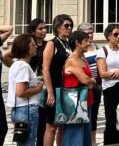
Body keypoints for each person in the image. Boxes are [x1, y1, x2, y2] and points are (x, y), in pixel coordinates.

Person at [4, 19, 49, 146]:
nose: (36, 47)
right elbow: (21, 92)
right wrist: (38, 88)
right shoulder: (23, 66)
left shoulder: (18, 64)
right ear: (26, 48)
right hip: (26, 109)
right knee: (28, 143)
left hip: (21, 109)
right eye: (33, 45)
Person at [42, 14, 74, 146]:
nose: (69, 28)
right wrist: (50, 92)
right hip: (55, 88)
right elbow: (45, 69)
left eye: (71, 26)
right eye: (66, 25)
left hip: (67, 89)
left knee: (62, 125)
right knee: (51, 126)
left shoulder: (69, 44)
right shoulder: (52, 44)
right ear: (57, 27)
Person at [63, 30, 99, 145]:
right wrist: (91, 81)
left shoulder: (83, 59)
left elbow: (90, 80)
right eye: (86, 41)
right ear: (78, 43)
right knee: (74, 137)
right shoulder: (72, 60)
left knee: (85, 136)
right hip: (75, 103)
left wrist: (90, 81)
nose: (89, 43)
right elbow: (86, 80)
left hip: (86, 100)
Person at [78, 23, 102, 146]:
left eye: (92, 32)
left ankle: (93, 141)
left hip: (96, 85)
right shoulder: (80, 49)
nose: (91, 35)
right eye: (88, 33)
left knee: (94, 114)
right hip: (84, 85)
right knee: (83, 113)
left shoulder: (96, 47)